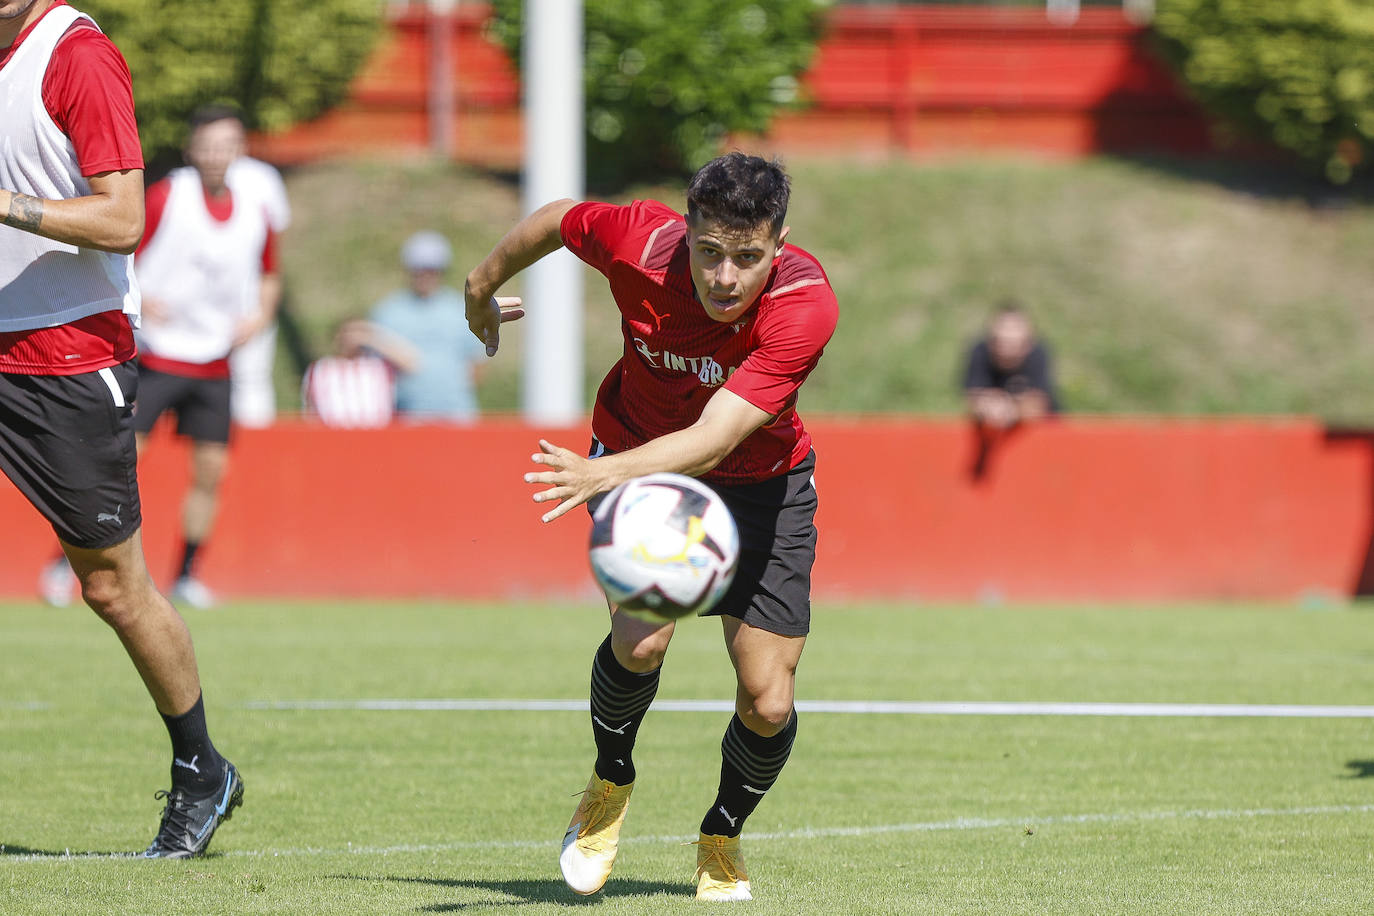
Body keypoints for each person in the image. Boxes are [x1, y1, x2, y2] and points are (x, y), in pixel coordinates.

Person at [464, 152, 838, 902]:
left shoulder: (805, 303)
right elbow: (557, 219)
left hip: (761, 483)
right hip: (646, 467)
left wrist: (601, 473)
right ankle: (609, 782)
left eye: (747, 257)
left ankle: (722, 831)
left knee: (767, 700)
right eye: (708, 253)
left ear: (781, 242)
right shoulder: (640, 239)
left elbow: (717, 434)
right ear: (687, 233)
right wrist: (480, 287)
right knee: (642, 642)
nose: (725, 278)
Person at [0, 0, 242, 857]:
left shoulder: (78, 58)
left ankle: (201, 767)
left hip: (64, 357)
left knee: (111, 587)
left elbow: (121, 219)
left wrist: (3, 205)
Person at [132, 103, 282, 610]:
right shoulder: (165, 196)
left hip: (215, 363)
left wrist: (259, 315)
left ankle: (187, 574)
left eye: (228, 144)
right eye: (209, 144)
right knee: (119, 462)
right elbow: (121, 252)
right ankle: (74, 563)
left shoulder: (256, 210)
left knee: (210, 473)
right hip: (155, 354)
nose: (218, 154)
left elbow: (269, 272)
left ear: (241, 150)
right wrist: (136, 295)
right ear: (192, 148)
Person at [371, 230, 488, 423]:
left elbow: (476, 362)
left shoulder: (460, 309)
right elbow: (376, 367)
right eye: (419, 269)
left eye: (432, 269)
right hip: (406, 417)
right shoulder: (388, 311)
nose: (425, 275)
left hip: (456, 414)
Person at [226, 153, 292, 429]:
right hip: (195, 303)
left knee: (251, 378)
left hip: (248, 298)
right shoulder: (182, 183)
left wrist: (263, 313)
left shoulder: (260, 177)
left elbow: (271, 257)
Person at [301, 317, 418, 428]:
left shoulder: (377, 366)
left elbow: (412, 363)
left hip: (375, 437)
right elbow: (310, 408)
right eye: (348, 332)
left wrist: (372, 339)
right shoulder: (321, 368)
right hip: (332, 437)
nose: (353, 337)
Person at [962, 300, 1060, 430]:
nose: (1007, 352)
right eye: (1002, 343)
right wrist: (986, 408)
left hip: (1043, 430)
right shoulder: (980, 352)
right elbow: (972, 398)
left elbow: (1039, 402)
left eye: (1013, 345)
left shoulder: (1038, 353)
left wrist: (1011, 411)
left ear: (1027, 344)